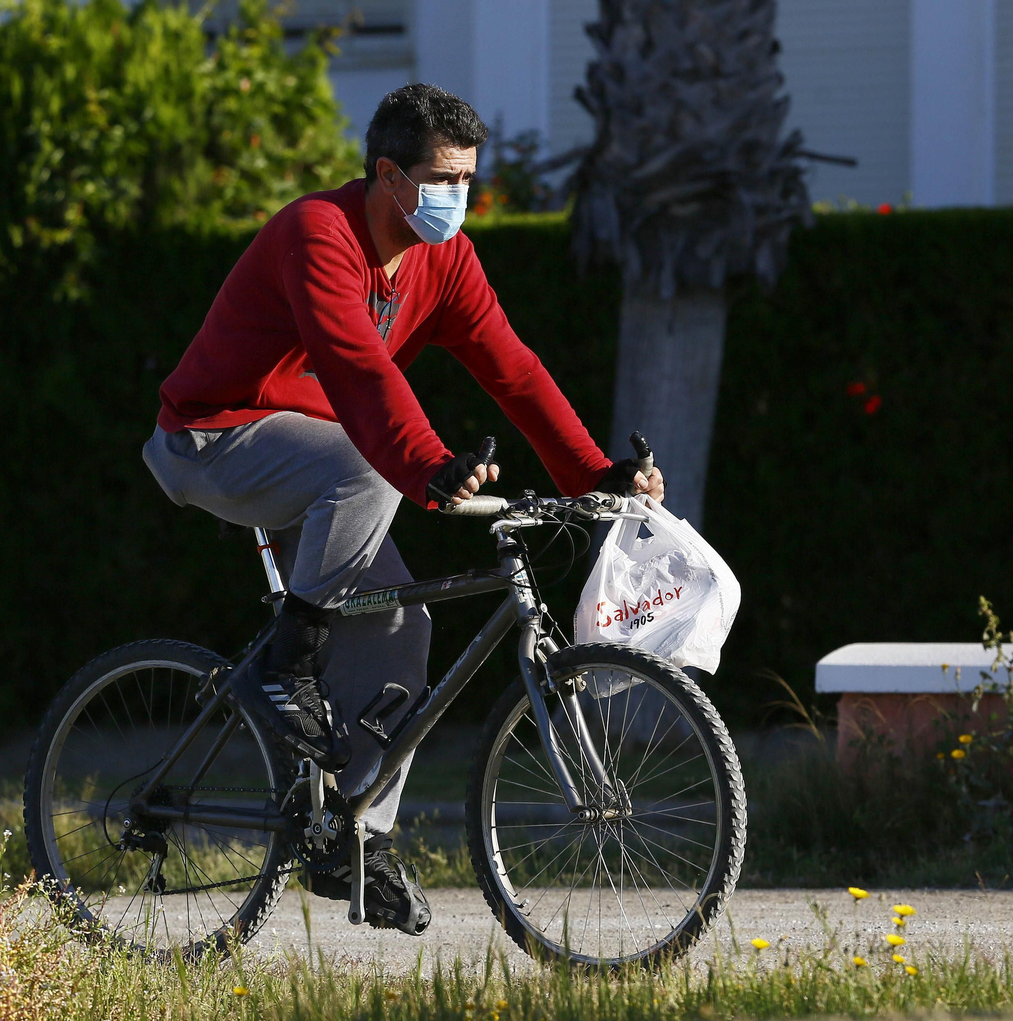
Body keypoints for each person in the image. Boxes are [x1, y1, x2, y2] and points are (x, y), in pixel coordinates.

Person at [143, 85, 666, 934]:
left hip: (319, 465)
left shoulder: (444, 261)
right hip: (210, 437)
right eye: (441, 177)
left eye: (468, 179)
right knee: (367, 466)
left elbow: (515, 370)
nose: (456, 196)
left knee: (401, 628)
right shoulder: (319, 232)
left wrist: (595, 473)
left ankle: (352, 837)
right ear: (387, 175)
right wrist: (427, 463)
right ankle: (290, 660)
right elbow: (358, 372)